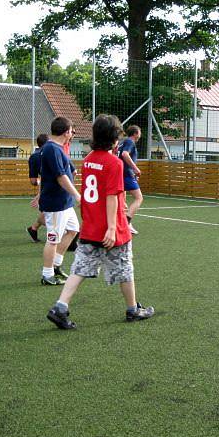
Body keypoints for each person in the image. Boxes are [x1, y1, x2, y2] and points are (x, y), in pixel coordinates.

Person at [46, 114, 154, 329]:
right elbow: (112, 196)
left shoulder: (89, 160)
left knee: (80, 269)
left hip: (92, 227)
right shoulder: (114, 163)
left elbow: (93, 193)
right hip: (111, 230)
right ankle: (133, 309)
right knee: (125, 267)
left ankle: (60, 307)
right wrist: (113, 228)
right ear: (114, 137)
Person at [39, 117, 81, 285]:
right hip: (56, 204)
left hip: (64, 202)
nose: (73, 134)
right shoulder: (52, 149)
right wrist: (77, 195)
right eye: (72, 131)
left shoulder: (58, 148)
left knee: (73, 230)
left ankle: (56, 265)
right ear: (66, 132)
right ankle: (47, 275)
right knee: (53, 239)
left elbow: (66, 172)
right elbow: (61, 177)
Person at [117, 125, 143, 235]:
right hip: (126, 174)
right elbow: (124, 154)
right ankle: (126, 223)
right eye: (139, 131)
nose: (140, 133)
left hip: (119, 173)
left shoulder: (122, 142)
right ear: (135, 133)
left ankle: (125, 224)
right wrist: (135, 168)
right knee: (139, 198)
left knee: (122, 202)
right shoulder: (130, 142)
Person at [26, 133, 49, 242]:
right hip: (51, 186)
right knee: (51, 212)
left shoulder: (33, 157)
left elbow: (33, 181)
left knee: (47, 211)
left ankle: (34, 228)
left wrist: (39, 184)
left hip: (45, 186)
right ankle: (61, 232)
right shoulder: (52, 153)